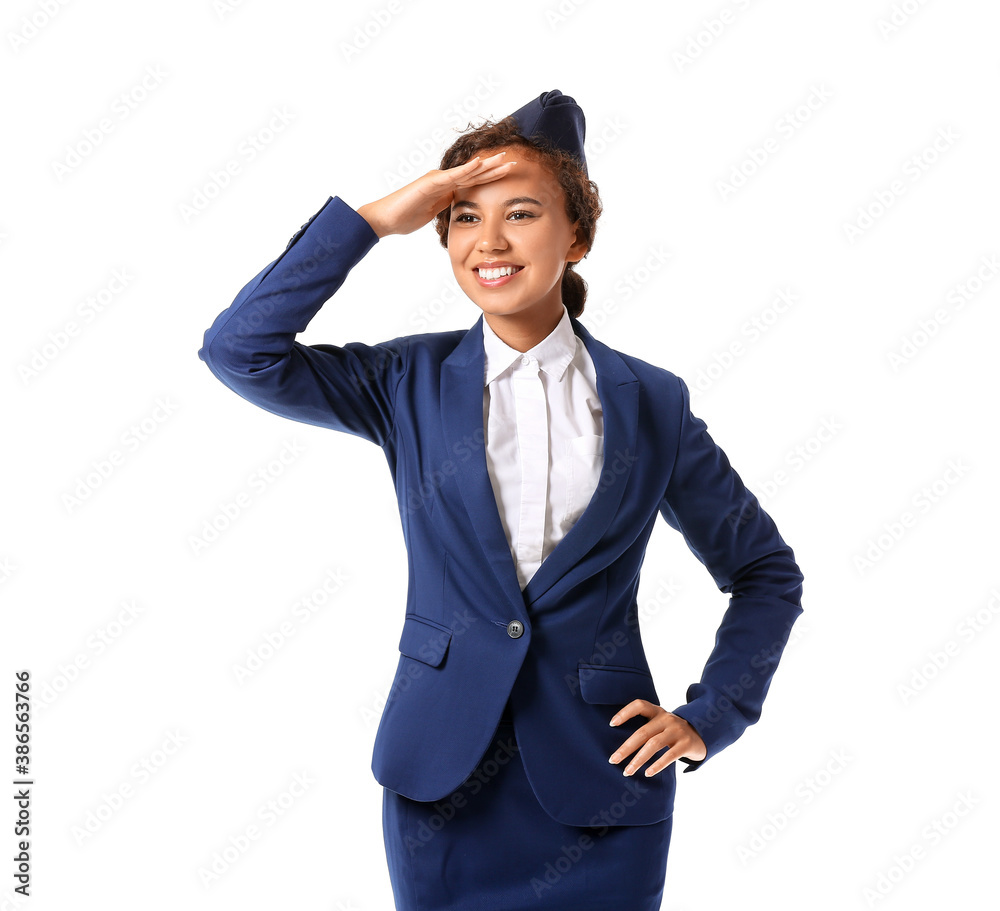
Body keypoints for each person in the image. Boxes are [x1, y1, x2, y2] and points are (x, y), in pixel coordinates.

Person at [198, 89, 804, 911]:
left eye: (520, 213)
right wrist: (376, 218)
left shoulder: (649, 402)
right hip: (441, 780)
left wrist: (713, 714)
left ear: (577, 237)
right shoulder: (403, 382)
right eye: (462, 216)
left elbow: (765, 570)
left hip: (605, 780)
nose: (488, 241)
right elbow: (239, 349)